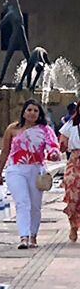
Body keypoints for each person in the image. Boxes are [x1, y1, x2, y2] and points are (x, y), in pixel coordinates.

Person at [0, 98, 60, 249]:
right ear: (24, 112)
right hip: (16, 170)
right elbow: (5, 151)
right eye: (29, 110)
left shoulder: (45, 130)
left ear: (39, 114)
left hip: (37, 170)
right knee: (22, 202)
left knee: (35, 206)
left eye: (36, 111)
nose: (32, 113)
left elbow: (53, 146)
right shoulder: (12, 129)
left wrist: (53, 154)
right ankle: (23, 237)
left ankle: (33, 236)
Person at [62, 103, 80, 242]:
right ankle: (73, 226)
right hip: (75, 161)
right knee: (72, 195)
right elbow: (62, 143)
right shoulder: (71, 124)